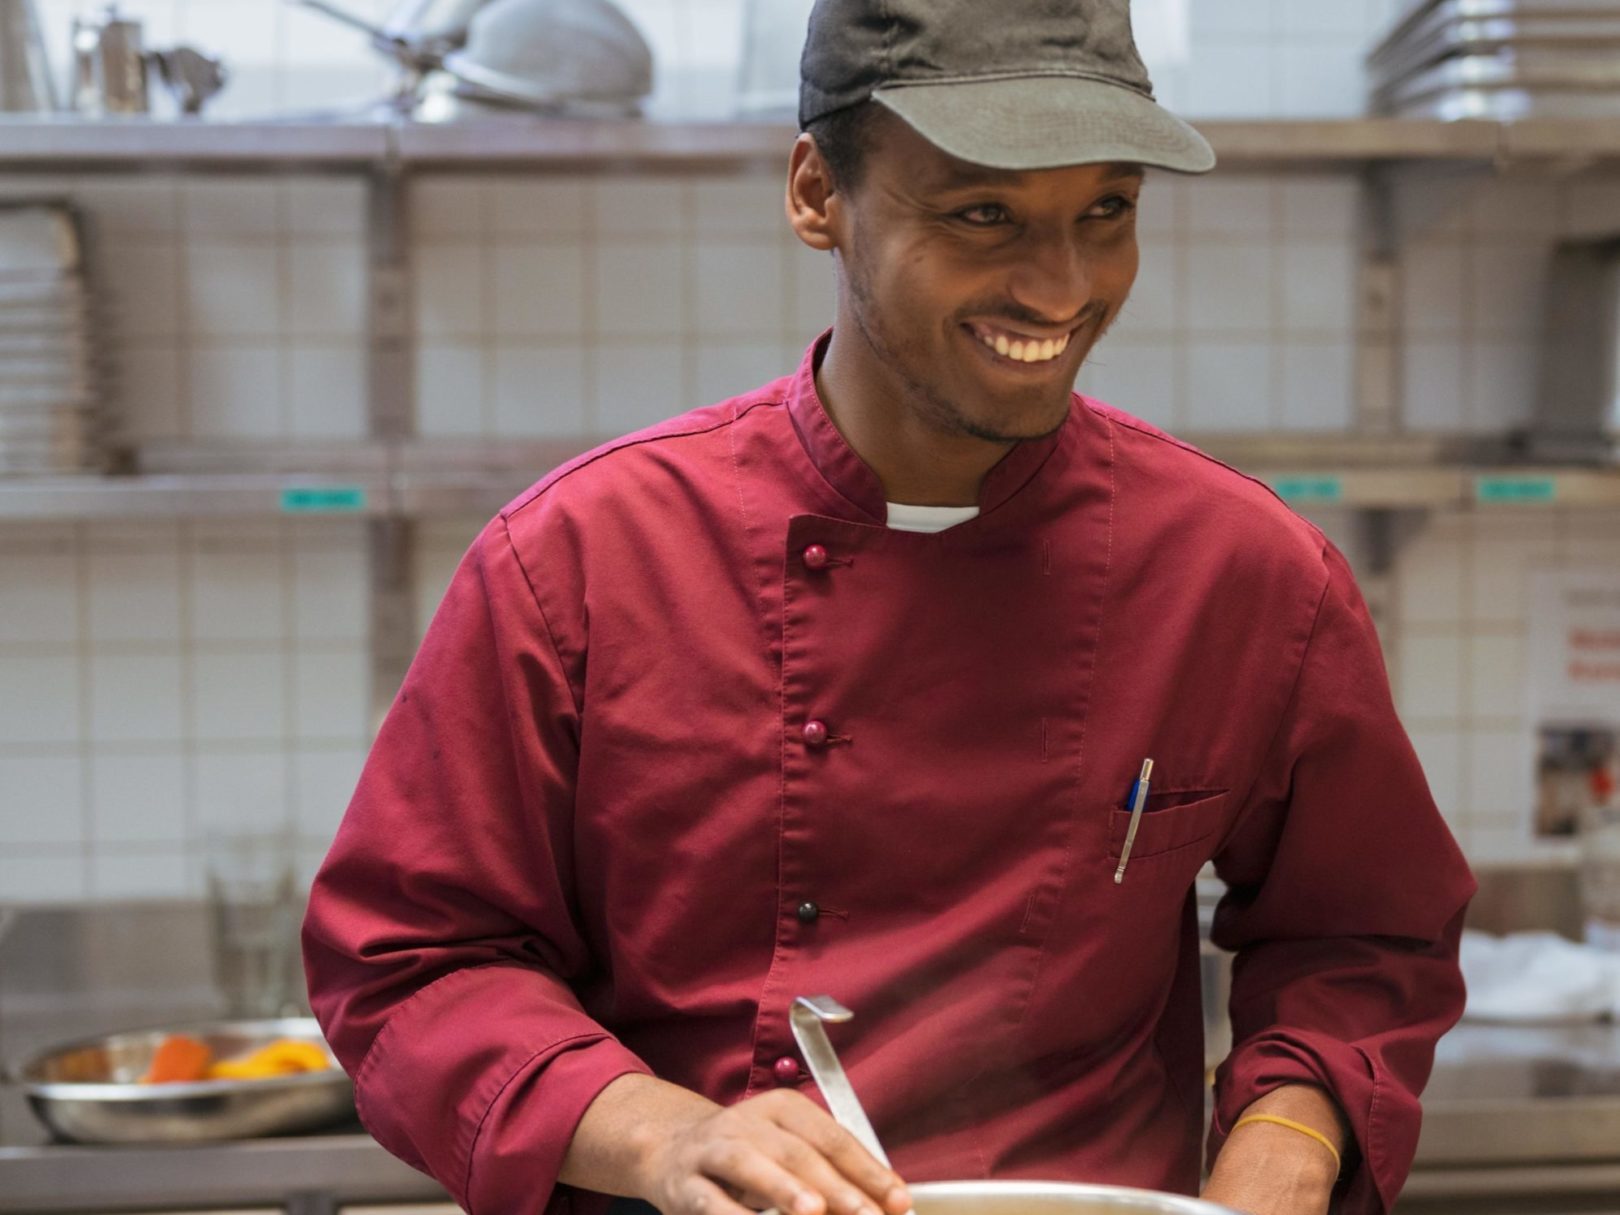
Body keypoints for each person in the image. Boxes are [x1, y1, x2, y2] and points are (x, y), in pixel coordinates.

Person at [303, 2, 1476, 1214]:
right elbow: (410, 961)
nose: (1062, 286)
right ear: (819, 193)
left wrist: (1284, 1148)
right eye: (983, 214)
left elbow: (1364, 941)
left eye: (1106, 213)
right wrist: (658, 1136)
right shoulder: (582, 560)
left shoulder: (1245, 573)